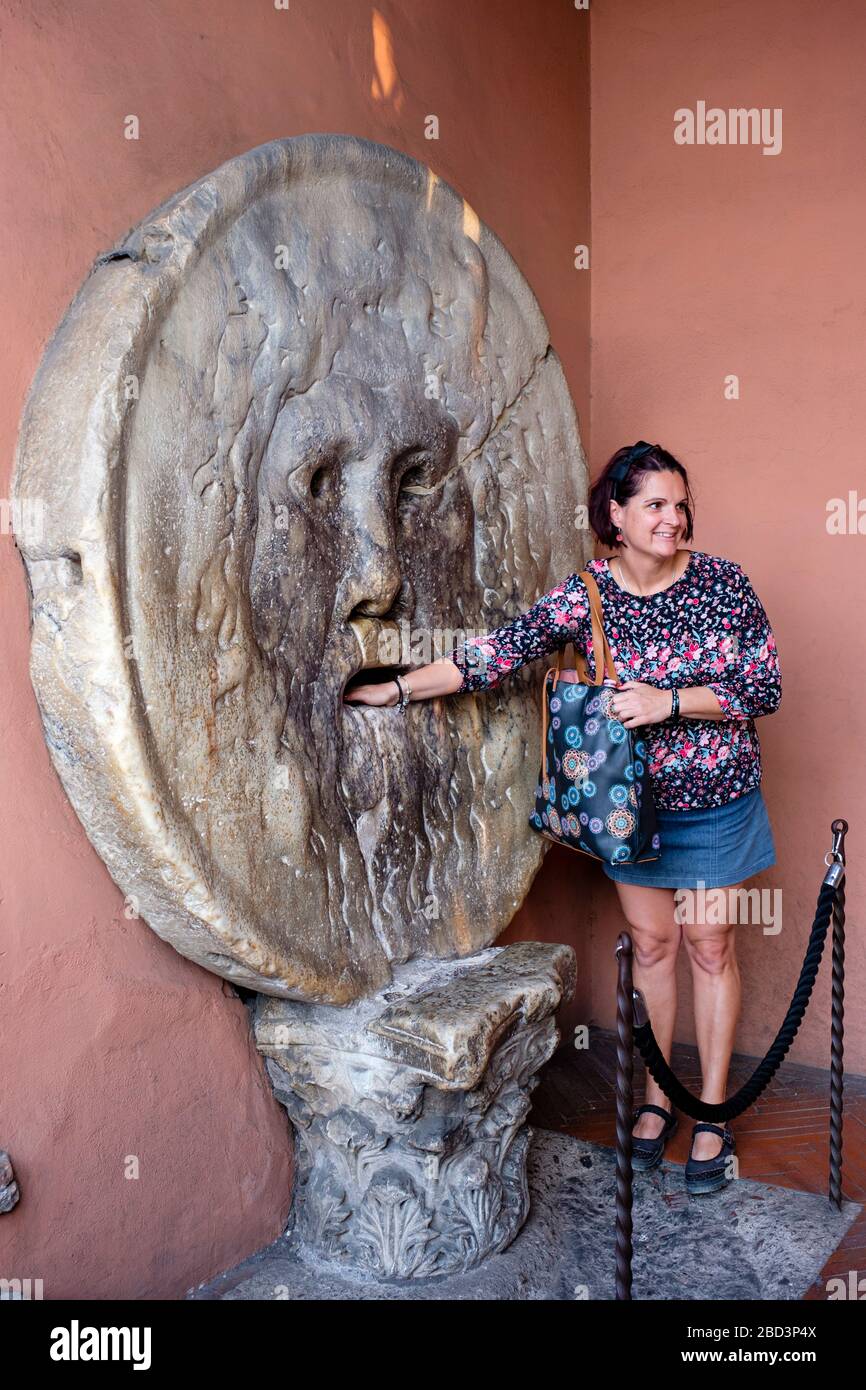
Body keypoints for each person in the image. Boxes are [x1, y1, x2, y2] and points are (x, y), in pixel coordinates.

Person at [343, 440, 782, 1195]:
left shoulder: (722, 584)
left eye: (680, 505)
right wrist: (398, 690)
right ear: (615, 513)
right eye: (654, 505)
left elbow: (763, 684)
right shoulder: (588, 595)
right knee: (652, 946)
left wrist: (665, 703)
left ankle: (710, 1111)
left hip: (717, 801)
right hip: (629, 812)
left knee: (709, 946)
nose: (672, 519)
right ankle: (658, 1101)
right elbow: (499, 653)